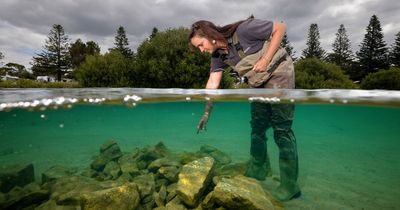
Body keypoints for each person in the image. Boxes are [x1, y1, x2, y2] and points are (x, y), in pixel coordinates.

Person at [189, 16, 301, 201]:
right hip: (257, 82)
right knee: (257, 128)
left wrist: (265, 59)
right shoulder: (218, 56)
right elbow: (212, 84)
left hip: (279, 74)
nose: (201, 50)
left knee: (282, 130)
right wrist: (206, 113)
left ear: (210, 36)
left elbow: (280, 27)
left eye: (200, 44)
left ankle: (290, 185)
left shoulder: (244, 30)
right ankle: (259, 169)